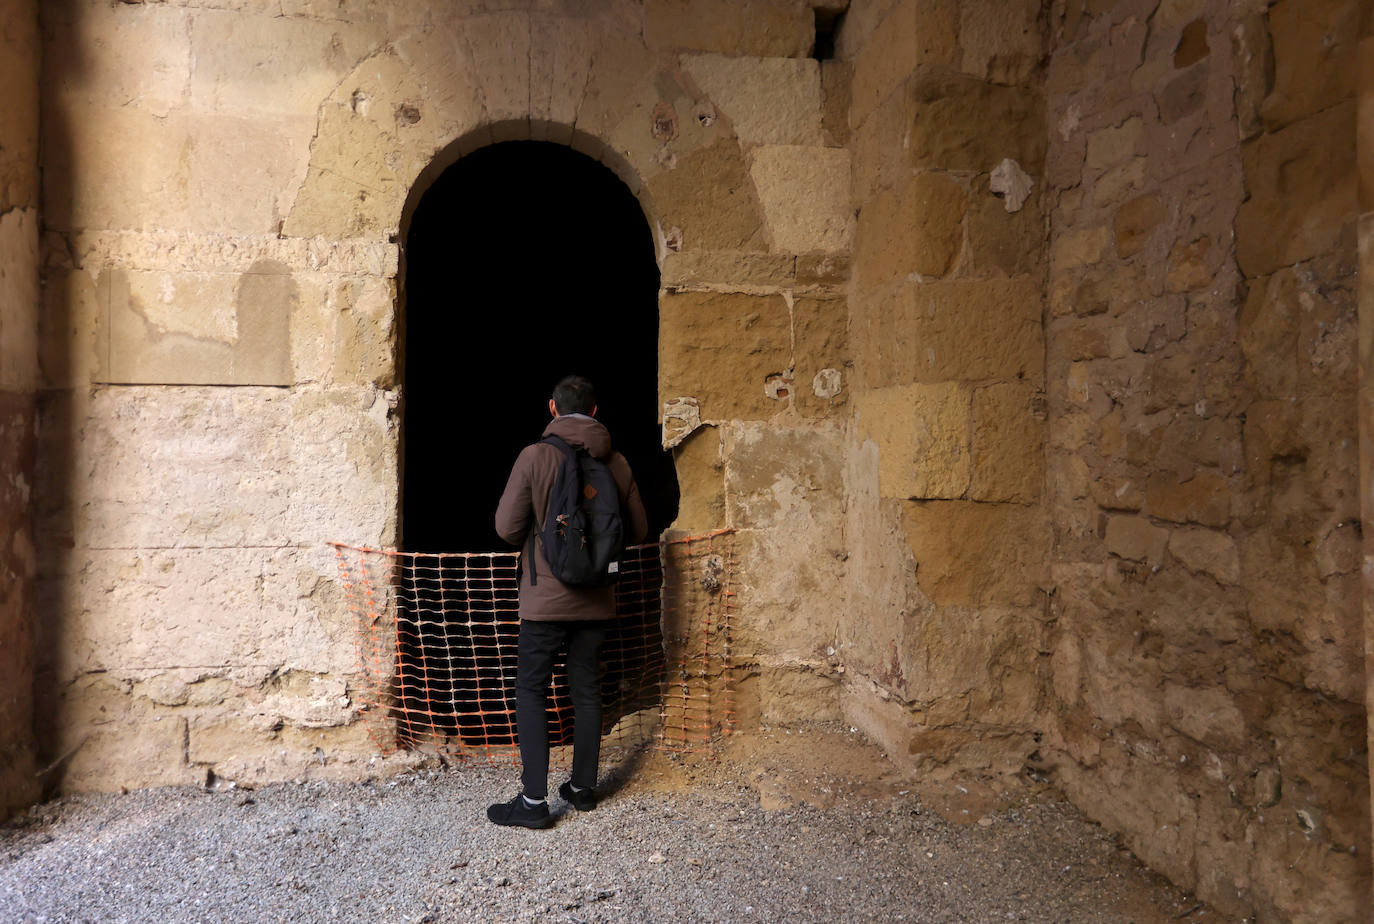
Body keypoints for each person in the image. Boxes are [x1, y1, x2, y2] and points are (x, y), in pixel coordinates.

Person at [487, 375, 648, 828]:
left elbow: (505, 527)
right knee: (587, 690)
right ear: (595, 412)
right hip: (597, 600)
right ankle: (582, 789)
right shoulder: (616, 462)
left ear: (552, 408)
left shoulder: (535, 457)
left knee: (531, 691)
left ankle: (534, 803)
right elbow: (636, 531)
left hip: (543, 602)